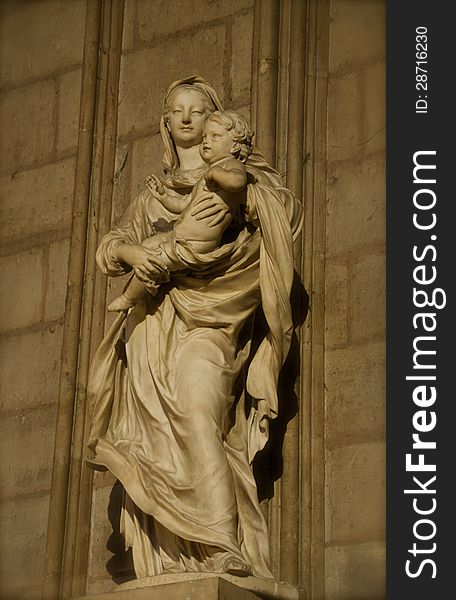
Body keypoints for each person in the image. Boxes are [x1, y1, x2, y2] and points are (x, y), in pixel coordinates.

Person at [87, 76, 303, 580]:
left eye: (198, 111)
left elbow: (283, 215)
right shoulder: (151, 196)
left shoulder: (244, 178)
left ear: (218, 124)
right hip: (151, 328)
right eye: (176, 111)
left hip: (211, 321)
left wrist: (246, 190)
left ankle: (223, 544)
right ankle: (168, 556)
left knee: (202, 411)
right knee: (154, 438)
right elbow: (111, 244)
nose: (186, 118)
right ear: (166, 124)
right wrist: (133, 251)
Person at [107, 110, 254, 312]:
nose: (206, 141)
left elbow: (238, 182)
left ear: (235, 145)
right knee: (147, 246)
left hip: (195, 245)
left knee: (154, 260)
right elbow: (186, 205)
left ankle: (130, 297)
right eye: (205, 136)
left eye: (215, 136)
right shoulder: (207, 178)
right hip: (179, 236)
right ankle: (135, 292)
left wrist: (215, 173)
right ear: (166, 123)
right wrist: (163, 197)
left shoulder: (231, 166)